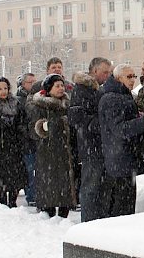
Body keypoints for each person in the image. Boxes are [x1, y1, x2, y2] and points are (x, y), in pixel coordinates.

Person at [99, 64, 144, 216]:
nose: (133, 79)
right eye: (128, 76)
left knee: (126, 204)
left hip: (124, 158)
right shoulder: (111, 98)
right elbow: (119, 128)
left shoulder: (123, 95)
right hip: (119, 160)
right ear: (118, 78)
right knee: (121, 208)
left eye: (134, 76)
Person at [69, 57, 112, 222]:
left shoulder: (99, 89)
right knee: (91, 186)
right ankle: (89, 222)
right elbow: (77, 118)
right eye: (105, 72)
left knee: (102, 187)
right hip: (91, 146)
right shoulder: (81, 90)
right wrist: (103, 125)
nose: (108, 75)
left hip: (101, 146)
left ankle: (99, 220)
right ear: (94, 71)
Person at [28, 74, 76, 218]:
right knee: (48, 183)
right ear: (49, 89)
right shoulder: (40, 105)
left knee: (64, 183)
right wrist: (52, 124)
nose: (61, 88)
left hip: (65, 151)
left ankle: (64, 210)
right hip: (47, 152)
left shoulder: (67, 104)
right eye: (57, 86)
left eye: (62, 85)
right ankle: (47, 210)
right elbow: (35, 129)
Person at [0, 77, 27, 207]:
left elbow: (22, 122)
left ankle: (12, 200)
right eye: (0, 89)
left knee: (14, 175)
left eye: (5, 88)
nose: (3, 91)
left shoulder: (16, 104)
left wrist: (19, 131)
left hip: (13, 147)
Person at [16, 72, 37, 206]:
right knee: (29, 170)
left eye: (35, 81)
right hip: (26, 141)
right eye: (30, 82)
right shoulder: (19, 100)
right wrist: (28, 132)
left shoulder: (37, 97)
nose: (33, 84)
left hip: (35, 139)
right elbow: (20, 122)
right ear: (23, 84)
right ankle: (31, 196)